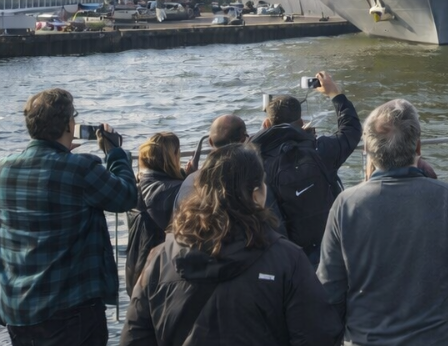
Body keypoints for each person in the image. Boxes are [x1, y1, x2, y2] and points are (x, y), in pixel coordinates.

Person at [121, 144, 342, 346]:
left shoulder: (159, 260)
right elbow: (317, 335)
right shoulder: (287, 260)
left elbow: (135, 338)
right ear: (256, 194)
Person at [319, 100, 448, 346]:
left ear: (366, 149)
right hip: (441, 337)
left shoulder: (345, 204)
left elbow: (330, 287)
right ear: (418, 147)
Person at [0, 89, 137, 346]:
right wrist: (115, 153)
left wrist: (63, 155)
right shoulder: (80, 168)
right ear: (67, 125)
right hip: (69, 311)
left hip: (18, 310)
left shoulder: (5, 169)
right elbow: (126, 196)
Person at [250, 70, 361, 265]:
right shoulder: (321, 150)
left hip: (287, 256)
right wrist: (335, 94)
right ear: (301, 123)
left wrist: (261, 136)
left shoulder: (255, 160)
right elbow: (351, 129)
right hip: (329, 249)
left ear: (266, 124)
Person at [125, 132, 186, 291]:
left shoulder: (135, 186)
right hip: (164, 272)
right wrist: (189, 181)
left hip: (136, 269)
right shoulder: (178, 189)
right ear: (173, 157)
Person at [176, 114, 249, 205]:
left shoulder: (190, 182)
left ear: (210, 142)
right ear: (243, 139)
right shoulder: (253, 175)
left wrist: (194, 174)